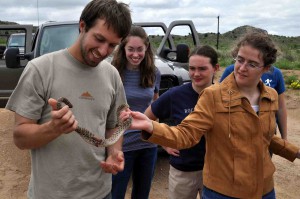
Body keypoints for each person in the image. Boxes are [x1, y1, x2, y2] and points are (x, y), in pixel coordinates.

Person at [120, 32, 300, 199]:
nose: (242, 68)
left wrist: (294, 151)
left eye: (252, 64)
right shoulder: (213, 96)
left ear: (266, 68)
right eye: (240, 59)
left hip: (265, 189)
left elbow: (264, 136)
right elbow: (186, 133)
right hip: (225, 191)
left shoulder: (270, 95)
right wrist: (152, 127)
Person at [5, 0, 132, 198]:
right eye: (99, 39)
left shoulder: (112, 74)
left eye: (113, 45)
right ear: (82, 26)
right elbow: (20, 138)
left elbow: (114, 125)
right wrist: (52, 128)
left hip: (101, 193)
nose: (104, 51)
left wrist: (114, 152)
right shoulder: (40, 69)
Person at [144, 45, 219, 199]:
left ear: (215, 68)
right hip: (183, 171)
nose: (196, 74)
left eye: (202, 69)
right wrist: (163, 143)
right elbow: (147, 117)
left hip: (215, 170)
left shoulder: (224, 96)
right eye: (192, 68)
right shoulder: (175, 95)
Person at [111, 25, 161, 199]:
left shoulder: (153, 73)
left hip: (148, 144)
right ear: (123, 48)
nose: (135, 54)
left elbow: (155, 106)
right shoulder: (114, 72)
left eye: (140, 49)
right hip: (121, 145)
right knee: (115, 193)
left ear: (146, 47)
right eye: (130, 49)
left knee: (142, 194)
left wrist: (160, 136)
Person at [220, 64, 287, 140]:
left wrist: (284, 138)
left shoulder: (275, 73)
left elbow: (281, 107)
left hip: (266, 133)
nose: (243, 68)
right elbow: (220, 100)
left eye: (253, 64)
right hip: (237, 132)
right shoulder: (232, 70)